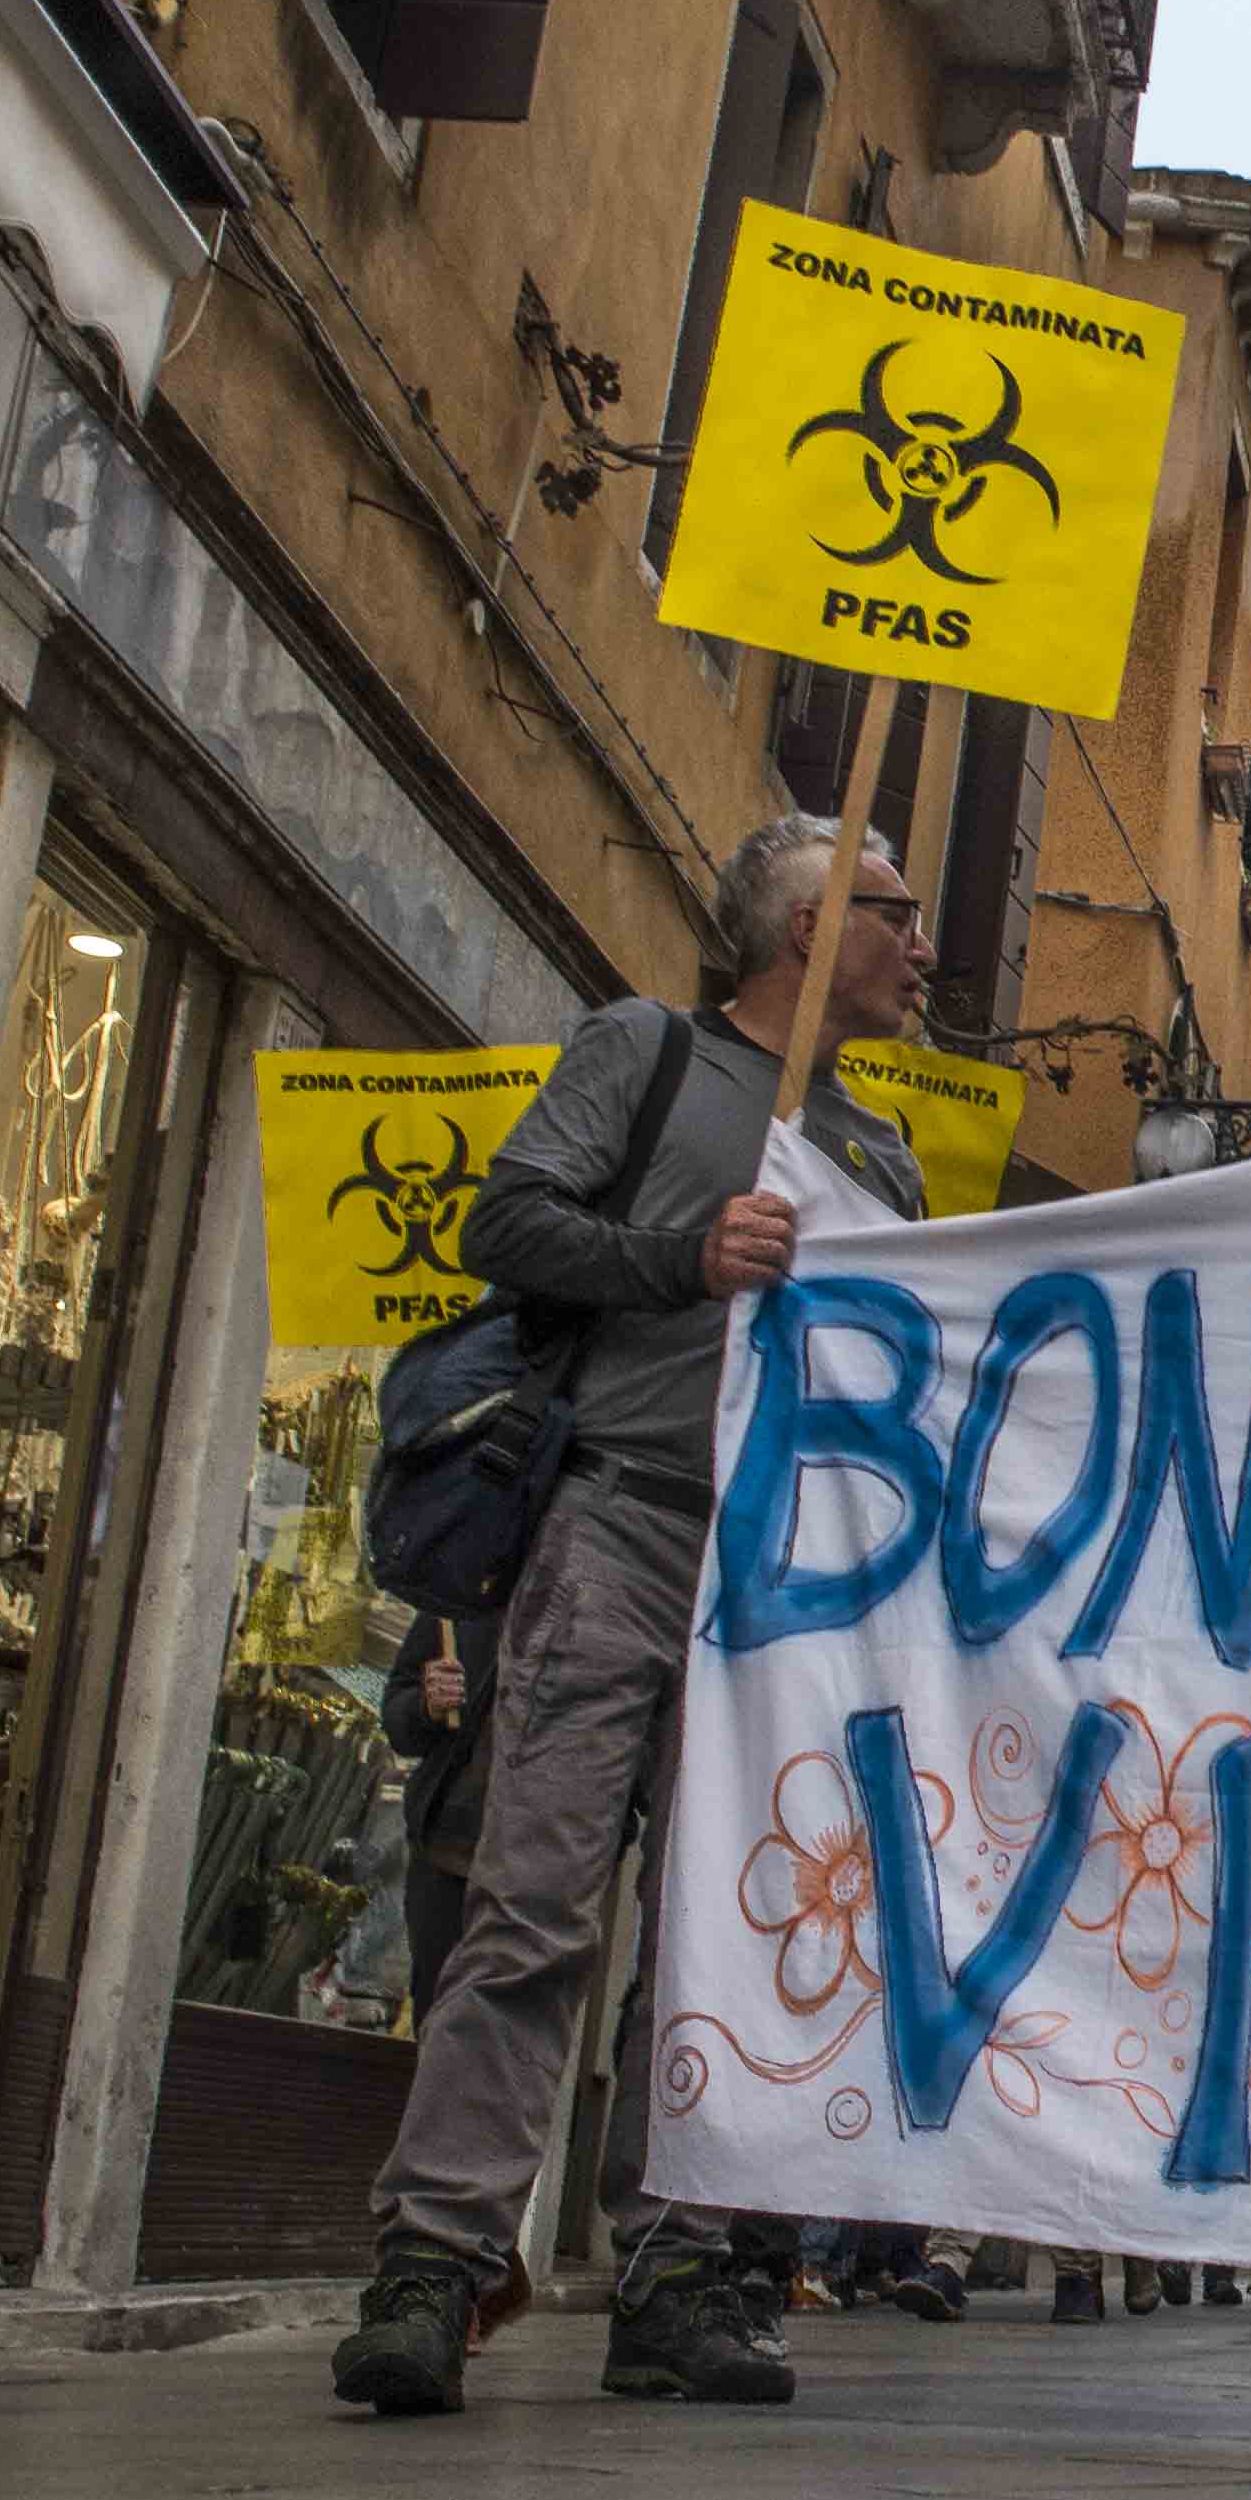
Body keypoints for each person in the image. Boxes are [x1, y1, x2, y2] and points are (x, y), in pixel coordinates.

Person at [326, 814, 934, 2419]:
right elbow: (504, 1223)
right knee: (533, 1901)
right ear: (807, 925)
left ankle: (674, 2270)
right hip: (619, 1522)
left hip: (779, 1577)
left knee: (717, 1936)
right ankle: (436, 2260)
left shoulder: (882, 1157)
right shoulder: (645, 1053)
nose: (925, 946)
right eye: (897, 912)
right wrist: (684, 1255)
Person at [376, 1605, 495, 2017]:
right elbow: (398, 1720)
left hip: (543, 1872)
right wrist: (426, 1706)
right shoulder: (466, 1601)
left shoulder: (602, 1608)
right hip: (450, 1858)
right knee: (439, 2013)